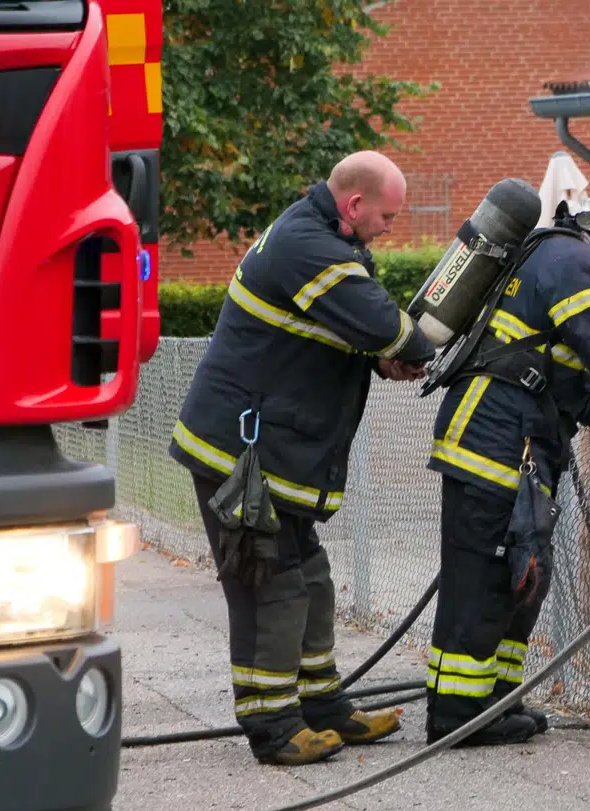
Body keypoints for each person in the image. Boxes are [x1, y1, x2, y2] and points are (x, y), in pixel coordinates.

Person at [168, 151, 435, 766]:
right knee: (269, 582)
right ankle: (273, 725)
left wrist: (378, 357)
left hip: (265, 452)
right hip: (238, 455)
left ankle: (323, 706)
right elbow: (381, 321)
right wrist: (420, 345)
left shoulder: (326, 239)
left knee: (310, 577)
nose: (390, 229)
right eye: (387, 217)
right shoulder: (307, 246)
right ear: (355, 204)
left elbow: (343, 327)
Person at [422, 170, 590, 747]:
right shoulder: (575, 262)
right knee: (488, 581)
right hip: (497, 445)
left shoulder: (560, 254)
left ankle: (493, 701)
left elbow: (551, 351)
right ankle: (458, 716)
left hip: (511, 442)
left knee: (520, 579)